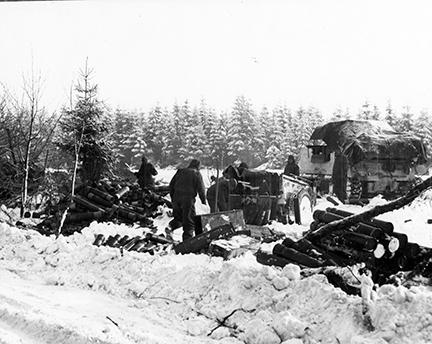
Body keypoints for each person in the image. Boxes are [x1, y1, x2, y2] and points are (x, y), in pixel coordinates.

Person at [168, 159, 207, 241]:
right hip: (187, 199)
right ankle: (188, 241)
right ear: (197, 166)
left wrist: (173, 197)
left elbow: (171, 185)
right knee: (189, 220)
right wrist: (203, 201)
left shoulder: (180, 171)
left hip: (176, 198)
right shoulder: (196, 173)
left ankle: (169, 227)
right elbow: (201, 189)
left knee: (178, 218)